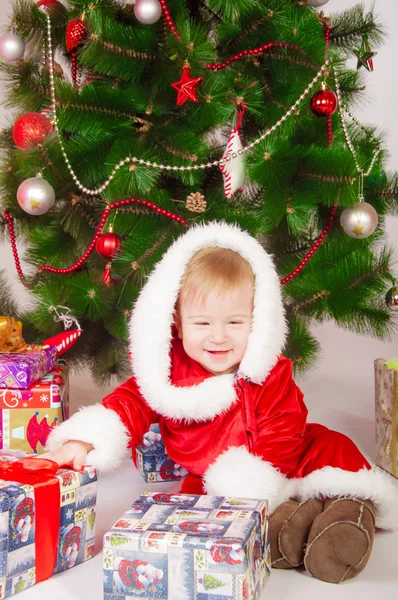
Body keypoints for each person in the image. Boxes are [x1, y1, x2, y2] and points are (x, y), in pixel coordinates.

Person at [46, 222, 398, 584]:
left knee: (334, 455)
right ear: (177, 325)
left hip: (284, 460)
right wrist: (85, 438)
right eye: (202, 323)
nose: (218, 337)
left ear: (257, 322)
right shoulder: (166, 375)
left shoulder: (268, 372)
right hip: (210, 479)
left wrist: (253, 488)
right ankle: (287, 529)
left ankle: (349, 518)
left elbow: (284, 431)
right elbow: (129, 403)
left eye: (234, 322)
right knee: (203, 514)